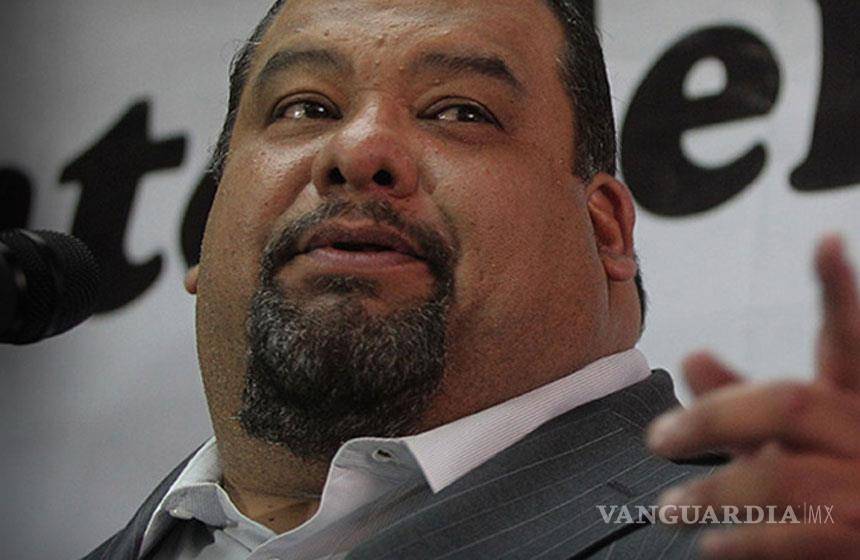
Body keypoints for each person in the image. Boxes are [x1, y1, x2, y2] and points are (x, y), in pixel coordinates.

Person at [82, 0, 860, 558]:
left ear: (605, 232)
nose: (357, 150)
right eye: (306, 107)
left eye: (459, 113)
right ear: (209, 229)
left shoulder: (777, 532)